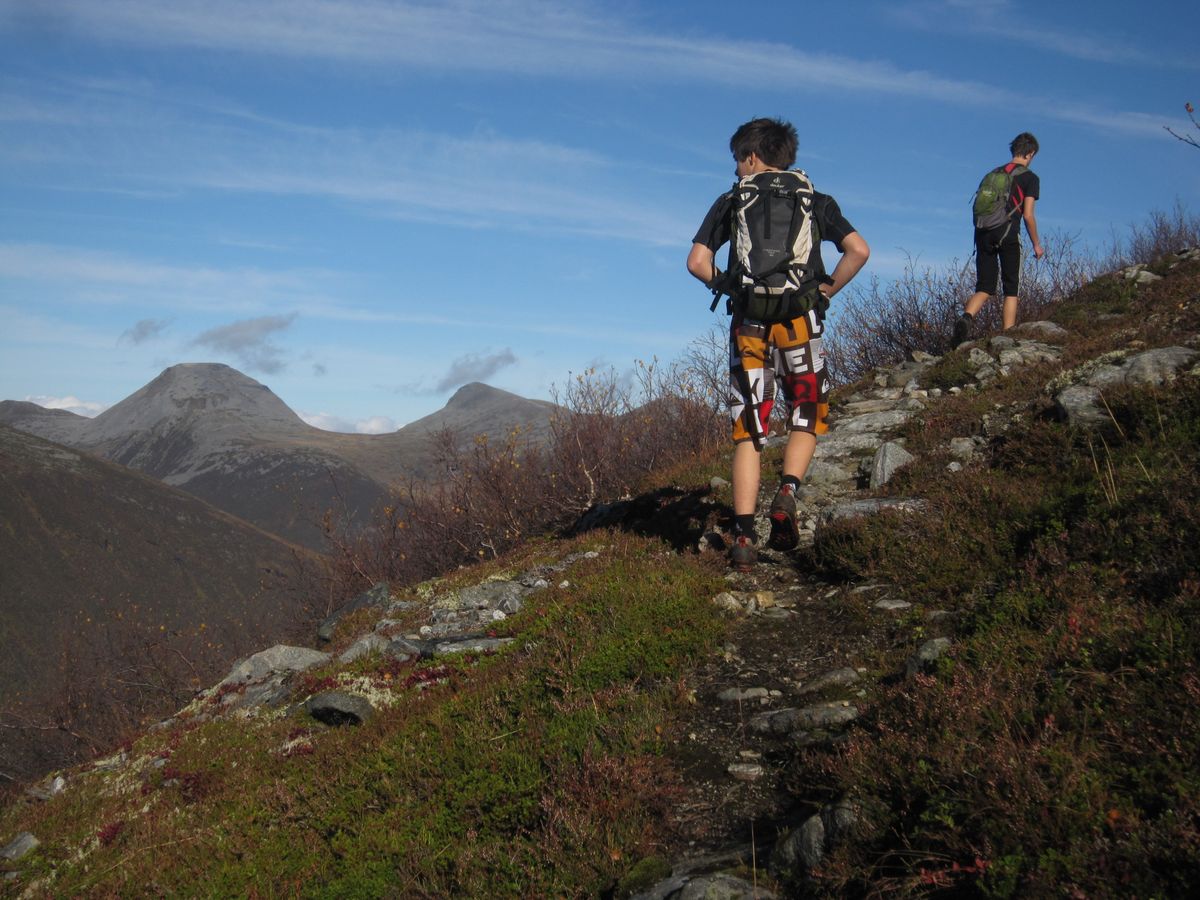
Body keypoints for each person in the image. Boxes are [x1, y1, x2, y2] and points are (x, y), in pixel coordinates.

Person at [687, 117, 870, 571]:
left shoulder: (733, 200)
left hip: (749, 324)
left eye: (737, 160)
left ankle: (745, 538)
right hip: (800, 322)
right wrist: (824, 291)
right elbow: (860, 251)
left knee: (750, 426)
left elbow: (696, 262)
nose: (735, 170)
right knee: (806, 412)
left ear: (751, 156)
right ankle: (787, 492)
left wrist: (735, 291)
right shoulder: (815, 200)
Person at [952, 132, 1044, 348]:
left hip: (983, 233)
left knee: (984, 286)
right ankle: (1008, 336)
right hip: (1008, 233)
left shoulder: (992, 174)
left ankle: (966, 318)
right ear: (1030, 154)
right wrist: (1037, 244)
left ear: (1013, 150)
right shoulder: (1030, 178)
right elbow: (1028, 214)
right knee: (1011, 287)